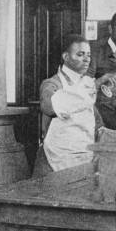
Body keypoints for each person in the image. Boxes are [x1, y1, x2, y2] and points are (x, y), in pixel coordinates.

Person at [34, 34, 104, 177]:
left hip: (85, 157)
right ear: (66, 57)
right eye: (80, 54)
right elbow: (48, 106)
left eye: (89, 55)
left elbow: (98, 125)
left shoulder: (87, 83)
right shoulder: (52, 84)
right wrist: (94, 87)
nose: (87, 59)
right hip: (56, 160)